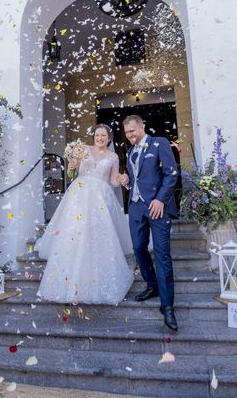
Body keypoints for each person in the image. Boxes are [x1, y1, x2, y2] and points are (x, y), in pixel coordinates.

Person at [36, 124, 134, 304]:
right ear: (94, 136)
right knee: (75, 232)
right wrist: (72, 164)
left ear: (109, 138)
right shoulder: (82, 149)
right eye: (97, 135)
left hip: (100, 198)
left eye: (104, 135)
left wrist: (123, 178)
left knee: (97, 234)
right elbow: (73, 172)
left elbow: (113, 181)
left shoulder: (112, 157)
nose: (100, 138)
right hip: (79, 195)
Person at [118, 115, 178, 331]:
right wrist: (125, 181)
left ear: (142, 126)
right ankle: (152, 285)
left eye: (133, 130)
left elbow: (171, 173)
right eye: (127, 133)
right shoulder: (131, 151)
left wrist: (161, 199)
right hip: (135, 207)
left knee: (162, 254)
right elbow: (137, 179)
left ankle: (167, 306)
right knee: (138, 248)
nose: (130, 135)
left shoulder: (159, 142)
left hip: (156, 206)